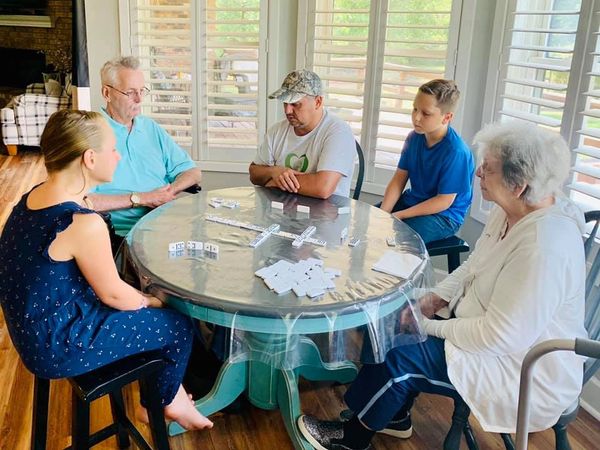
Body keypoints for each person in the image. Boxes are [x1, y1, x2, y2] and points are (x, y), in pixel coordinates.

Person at [297, 122, 587, 450]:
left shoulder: (543, 247)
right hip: (483, 325)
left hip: (521, 367)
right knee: (386, 307)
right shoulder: (514, 209)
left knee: (400, 352)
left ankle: (352, 438)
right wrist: (435, 297)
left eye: (488, 168)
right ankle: (393, 414)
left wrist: (427, 327)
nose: (478, 173)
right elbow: (476, 264)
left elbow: (500, 336)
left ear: (518, 185)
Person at [0, 110, 213, 431]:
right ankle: (162, 402)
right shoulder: (83, 224)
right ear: (89, 158)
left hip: (31, 332)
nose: (117, 156)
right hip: (55, 346)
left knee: (152, 312)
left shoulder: (33, 198)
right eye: (113, 149)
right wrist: (157, 301)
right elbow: (115, 295)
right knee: (178, 324)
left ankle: (172, 395)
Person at [87, 56, 202, 238]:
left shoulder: (150, 128)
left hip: (165, 223)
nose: (139, 99)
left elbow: (192, 171)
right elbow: (84, 201)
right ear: (107, 93)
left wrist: (168, 192)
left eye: (142, 90)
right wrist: (142, 199)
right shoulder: (89, 132)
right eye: (130, 92)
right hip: (121, 234)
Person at [380, 79, 474, 243]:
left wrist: (399, 215)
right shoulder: (414, 138)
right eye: (415, 109)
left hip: (444, 216)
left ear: (447, 117)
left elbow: (443, 201)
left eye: (426, 113)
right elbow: (398, 180)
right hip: (413, 202)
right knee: (367, 223)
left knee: (395, 238)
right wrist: (383, 214)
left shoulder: (456, 152)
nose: (416, 118)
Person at [249, 69, 356, 199]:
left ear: (318, 102)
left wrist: (274, 182)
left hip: (326, 216)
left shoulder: (338, 132)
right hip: (281, 212)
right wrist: (274, 171)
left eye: (295, 104)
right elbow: (254, 173)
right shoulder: (276, 130)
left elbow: (322, 188)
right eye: (285, 103)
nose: (288, 110)